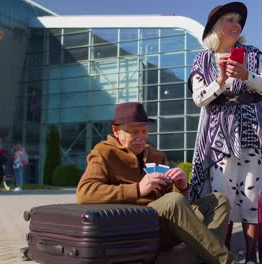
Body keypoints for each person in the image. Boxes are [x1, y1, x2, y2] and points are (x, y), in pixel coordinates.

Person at [188, 2, 262, 263]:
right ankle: (224, 257)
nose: (236, 25)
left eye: (238, 21)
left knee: (251, 199)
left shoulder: (253, 54)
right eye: (230, 20)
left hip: (252, 133)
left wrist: (246, 75)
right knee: (223, 202)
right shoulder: (202, 59)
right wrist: (221, 80)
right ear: (216, 27)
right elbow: (199, 99)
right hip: (219, 138)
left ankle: (253, 257)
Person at [76, 102, 238, 264]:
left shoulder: (156, 155)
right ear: (116, 131)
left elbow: (175, 202)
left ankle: (206, 259)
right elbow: (85, 192)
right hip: (134, 225)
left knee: (218, 201)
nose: (141, 137)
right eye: (134, 132)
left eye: (144, 131)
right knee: (172, 202)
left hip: (162, 224)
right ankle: (227, 261)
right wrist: (137, 189)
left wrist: (181, 186)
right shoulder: (103, 153)